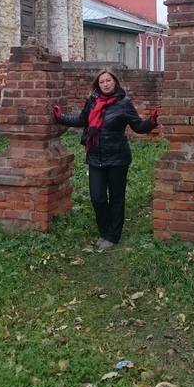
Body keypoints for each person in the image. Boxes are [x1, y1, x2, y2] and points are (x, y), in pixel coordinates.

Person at [52, 68, 159, 251]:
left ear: (114, 82)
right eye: (102, 82)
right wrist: (60, 117)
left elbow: (138, 126)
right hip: (95, 157)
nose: (105, 84)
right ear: (98, 85)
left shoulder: (124, 103)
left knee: (116, 198)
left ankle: (112, 235)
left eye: (108, 80)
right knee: (97, 198)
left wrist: (153, 120)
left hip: (118, 157)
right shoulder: (92, 102)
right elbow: (81, 120)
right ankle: (104, 231)